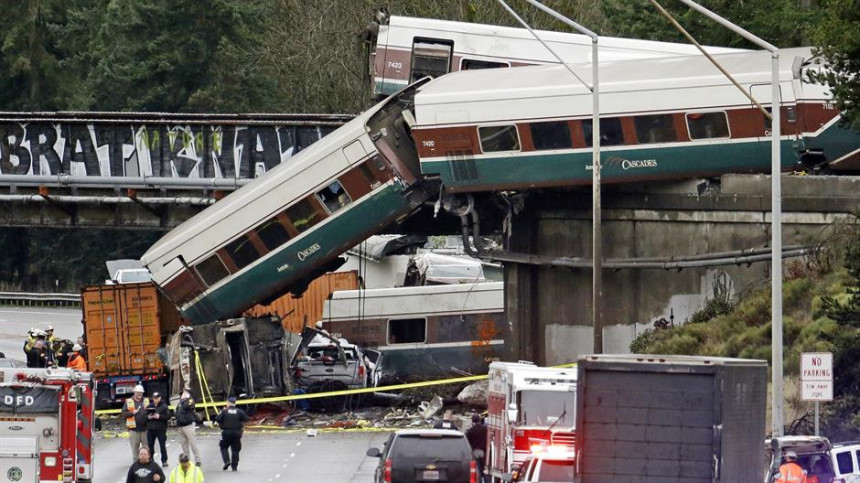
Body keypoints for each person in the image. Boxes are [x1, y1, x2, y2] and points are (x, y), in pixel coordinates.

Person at [215, 396, 249, 471]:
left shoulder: (224, 411)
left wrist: (221, 413)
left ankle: (227, 461)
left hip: (226, 432)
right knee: (235, 450)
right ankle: (234, 466)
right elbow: (246, 419)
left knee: (223, 447)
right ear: (235, 403)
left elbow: (217, 419)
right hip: (237, 433)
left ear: (228, 403)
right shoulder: (239, 411)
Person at [121, 385, 150, 462]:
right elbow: (123, 413)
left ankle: (147, 462)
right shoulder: (129, 401)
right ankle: (136, 463)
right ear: (134, 393)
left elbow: (151, 411)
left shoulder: (146, 401)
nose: (139, 394)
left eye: (141, 393)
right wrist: (131, 412)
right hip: (134, 430)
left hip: (145, 429)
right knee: (135, 448)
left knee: (146, 448)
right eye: (138, 393)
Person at [174, 391, 202, 467]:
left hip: (188, 425)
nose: (182, 395)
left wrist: (184, 399)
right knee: (184, 444)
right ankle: (187, 459)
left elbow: (186, 406)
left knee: (192, 443)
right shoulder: (180, 402)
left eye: (183, 393)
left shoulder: (190, 400)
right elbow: (177, 411)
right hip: (181, 425)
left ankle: (198, 459)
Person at [146, 392, 170, 467]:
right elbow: (145, 416)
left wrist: (159, 416)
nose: (155, 400)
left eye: (157, 398)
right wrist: (148, 417)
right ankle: (151, 459)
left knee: (162, 445)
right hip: (151, 429)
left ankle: (164, 460)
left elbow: (168, 416)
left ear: (160, 398)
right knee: (150, 445)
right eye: (154, 398)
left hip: (161, 429)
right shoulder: (149, 406)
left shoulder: (164, 406)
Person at [465, 414, 488, 482]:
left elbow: (467, 441)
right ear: (479, 420)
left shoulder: (470, 431)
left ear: (472, 421)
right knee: (484, 469)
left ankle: (479, 480)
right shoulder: (485, 429)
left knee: (477, 468)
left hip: (475, 451)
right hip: (484, 452)